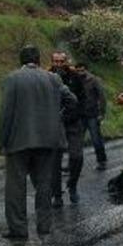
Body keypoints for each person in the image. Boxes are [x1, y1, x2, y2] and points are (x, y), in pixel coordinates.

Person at [0, 45, 76, 240]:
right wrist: (57, 118)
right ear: (39, 60)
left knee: (16, 187)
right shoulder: (53, 79)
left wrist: (0, 140)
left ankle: (18, 229)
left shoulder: (12, 79)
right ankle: (44, 225)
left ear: (21, 60)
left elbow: (6, 113)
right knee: (44, 184)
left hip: (18, 140)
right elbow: (72, 100)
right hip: (47, 140)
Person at [48, 51, 86, 206]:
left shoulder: (75, 77)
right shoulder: (47, 77)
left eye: (61, 61)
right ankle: (56, 194)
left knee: (77, 156)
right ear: (52, 62)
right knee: (54, 161)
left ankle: (72, 184)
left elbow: (82, 99)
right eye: (56, 61)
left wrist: (76, 115)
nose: (58, 64)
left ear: (66, 62)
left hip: (73, 122)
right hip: (55, 123)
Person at [75, 61, 108, 171]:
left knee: (96, 139)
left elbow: (101, 97)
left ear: (86, 70)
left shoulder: (93, 80)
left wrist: (102, 113)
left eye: (82, 70)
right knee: (77, 141)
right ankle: (74, 164)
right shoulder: (75, 80)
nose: (80, 72)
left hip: (92, 114)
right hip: (80, 114)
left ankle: (101, 161)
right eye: (78, 70)